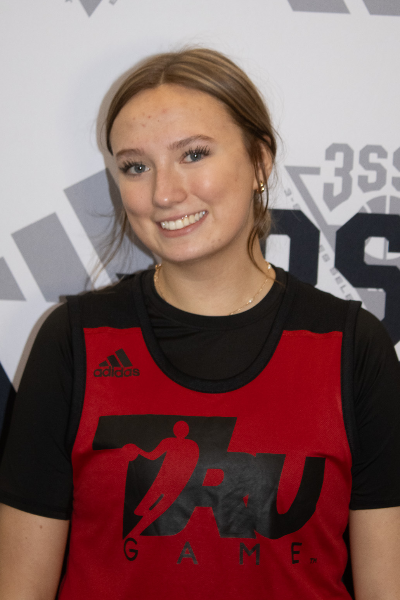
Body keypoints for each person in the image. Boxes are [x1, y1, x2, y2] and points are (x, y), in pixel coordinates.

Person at [0, 48, 399, 600]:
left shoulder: (352, 348)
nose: (163, 193)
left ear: (259, 161)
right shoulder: (75, 341)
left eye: (193, 154)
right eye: (136, 167)